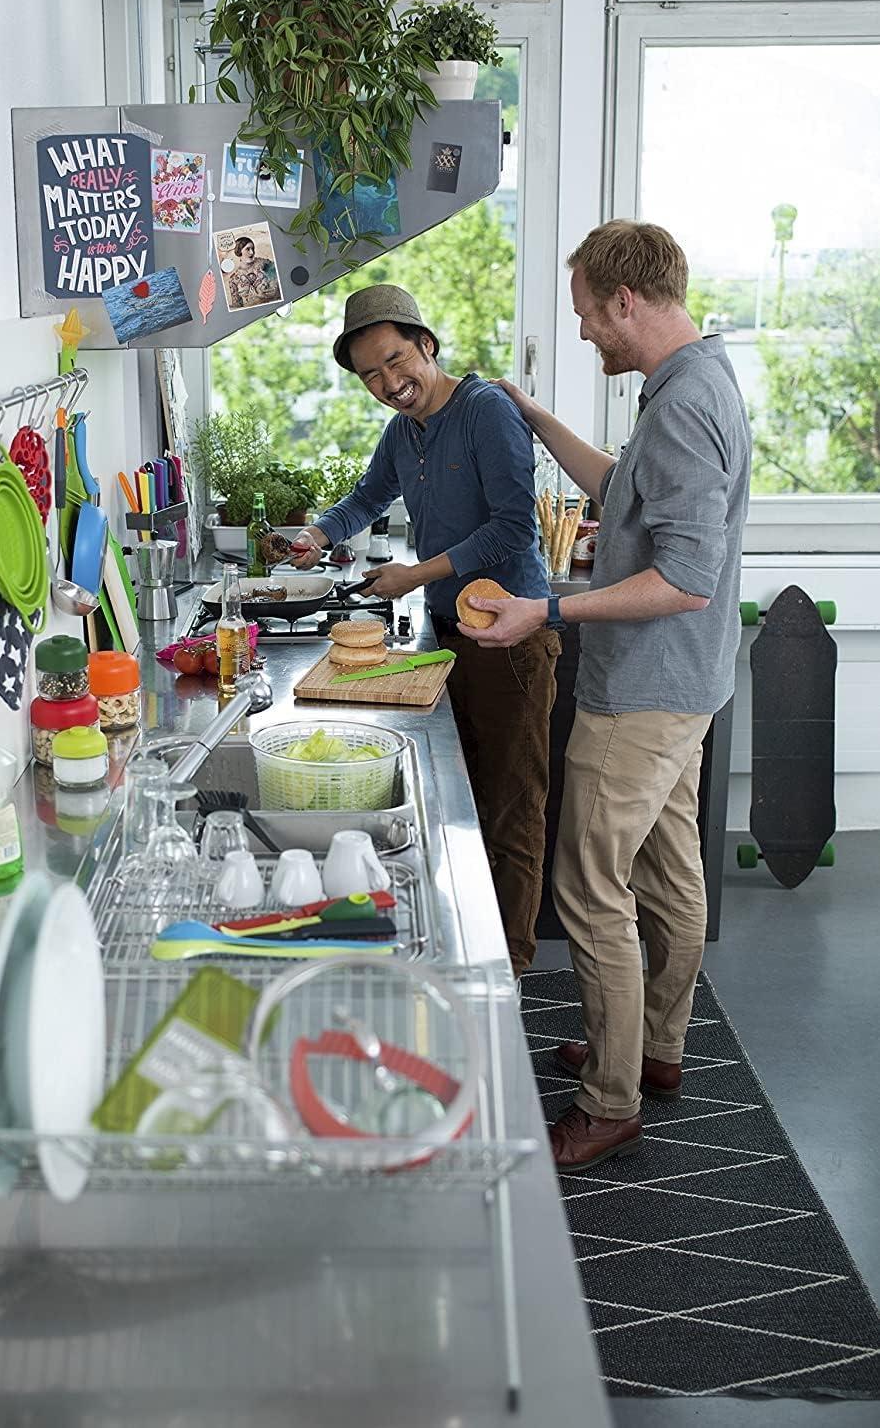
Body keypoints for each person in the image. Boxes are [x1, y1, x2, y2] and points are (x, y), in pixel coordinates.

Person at [459, 221, 751, 1173]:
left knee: (589, 890)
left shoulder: (679, 406)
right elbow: (626, 491)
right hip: (687, 686)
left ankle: (609, 1099)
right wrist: (537, 418)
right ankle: (653, 1049)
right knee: (670, 876)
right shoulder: (693, 382)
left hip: (641, 699)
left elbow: (686, 578)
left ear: (627, 300)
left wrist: (549, 610)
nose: (585, 330)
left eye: (587, 312)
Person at [290, 285, 559, 977]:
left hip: (510, 636)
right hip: (446, 635)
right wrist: (318, 533)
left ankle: (510, 969)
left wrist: (413, 574)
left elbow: (511, 529)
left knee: (511, 810)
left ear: (426, 344)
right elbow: (370, 496)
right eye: (371, 375)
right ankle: (467, 949)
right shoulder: (402, 432)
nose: (389, 383)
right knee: (458, 803)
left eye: (396, 359)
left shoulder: (485, 412)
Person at [226, 236, 279, 310]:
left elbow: (279, 278)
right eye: (248, 249)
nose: (252, 252)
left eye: (253, 249)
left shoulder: (263, 263)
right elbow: (237, 307)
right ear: (239, 251)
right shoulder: (233, 279)